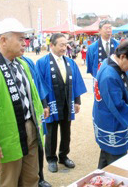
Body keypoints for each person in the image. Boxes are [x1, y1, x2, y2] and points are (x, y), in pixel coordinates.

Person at [0, 18, 44, 187]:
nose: (25, 43)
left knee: (31, 178)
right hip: (8, 136)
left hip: (30, 128)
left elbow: (32, 94)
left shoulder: (21, 64)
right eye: (20, 39)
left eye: (25, 39)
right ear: (3, 40)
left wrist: (41, 111)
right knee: (9, 181)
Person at [93, 40, 128, 169]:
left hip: (105, 116)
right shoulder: (109, 75)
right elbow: (117, 104)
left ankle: (100, 175)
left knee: (106, 154)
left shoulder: (109, 63)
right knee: (117, 162)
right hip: (111, 121)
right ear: (123, 56)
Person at [36, 33, 87, 173]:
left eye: (66, 44)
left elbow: (76, 82)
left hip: (67, 102)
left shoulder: (70, 62)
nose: (64, 48)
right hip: (51, 103)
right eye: (61, 45)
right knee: (51, 132)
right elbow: (39, 85)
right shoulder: (42, 63)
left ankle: (63, 156)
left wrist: (77, 101)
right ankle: (51, 158)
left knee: (66, 131)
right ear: (51, 45)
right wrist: (44, 104)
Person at [21, 56, 52, 187]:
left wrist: (44, 105)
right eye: (19, 39)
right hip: (19, 119)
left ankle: (40, 178)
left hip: (34, 115)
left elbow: (38, 85)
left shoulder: (27, 62)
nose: (23, 43)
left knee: (38, 146)